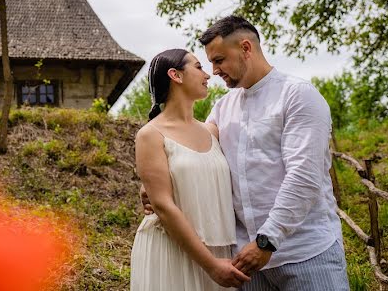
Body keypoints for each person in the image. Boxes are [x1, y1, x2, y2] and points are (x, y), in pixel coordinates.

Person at [144, 16, 349, 291]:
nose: (214, 71)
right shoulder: (223, 107)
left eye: (219, 60)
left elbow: (304, 177)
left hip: (305, 253)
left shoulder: (298, 96)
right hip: (247, 266)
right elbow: (191, 150)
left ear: (245, 48)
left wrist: (267, 241)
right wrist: (155, 182)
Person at [131, 48, 250, 290]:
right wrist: (211, 266)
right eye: (198, 67)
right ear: (176, 75)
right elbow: (163, 206)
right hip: (171, 251)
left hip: (221, 251)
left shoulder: (212, 131)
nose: (208, 75)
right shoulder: (150, 135)